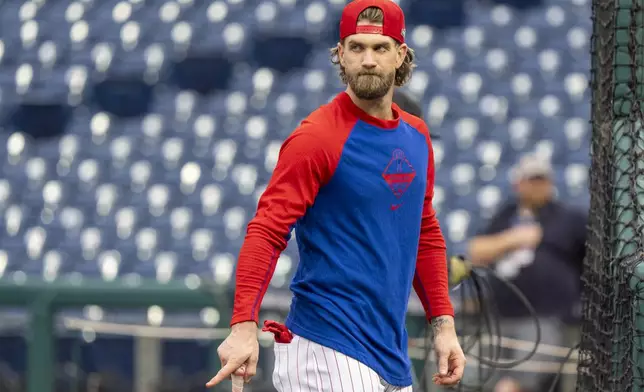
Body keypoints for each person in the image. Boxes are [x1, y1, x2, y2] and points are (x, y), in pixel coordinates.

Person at [206, 0, 466, 391]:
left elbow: (424, 232)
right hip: (325, 348)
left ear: (401, 55)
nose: (367, 59)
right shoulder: (317, 137)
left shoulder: (417, 137)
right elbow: (267, 230)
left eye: (380, 48)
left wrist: (443, 326)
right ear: (340, 55)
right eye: (356, 47)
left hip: (389, 354)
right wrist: (244, 324)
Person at [467, 154, 587, 392]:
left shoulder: (566, 217)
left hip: (545, 317)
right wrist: (514, 239)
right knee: (472, 373)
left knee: (520, 380)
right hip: (498, 317)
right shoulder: (506, 215)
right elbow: (476, 250)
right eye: (531, 180)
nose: (537, 186)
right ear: (518, 183)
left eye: (542, 180)